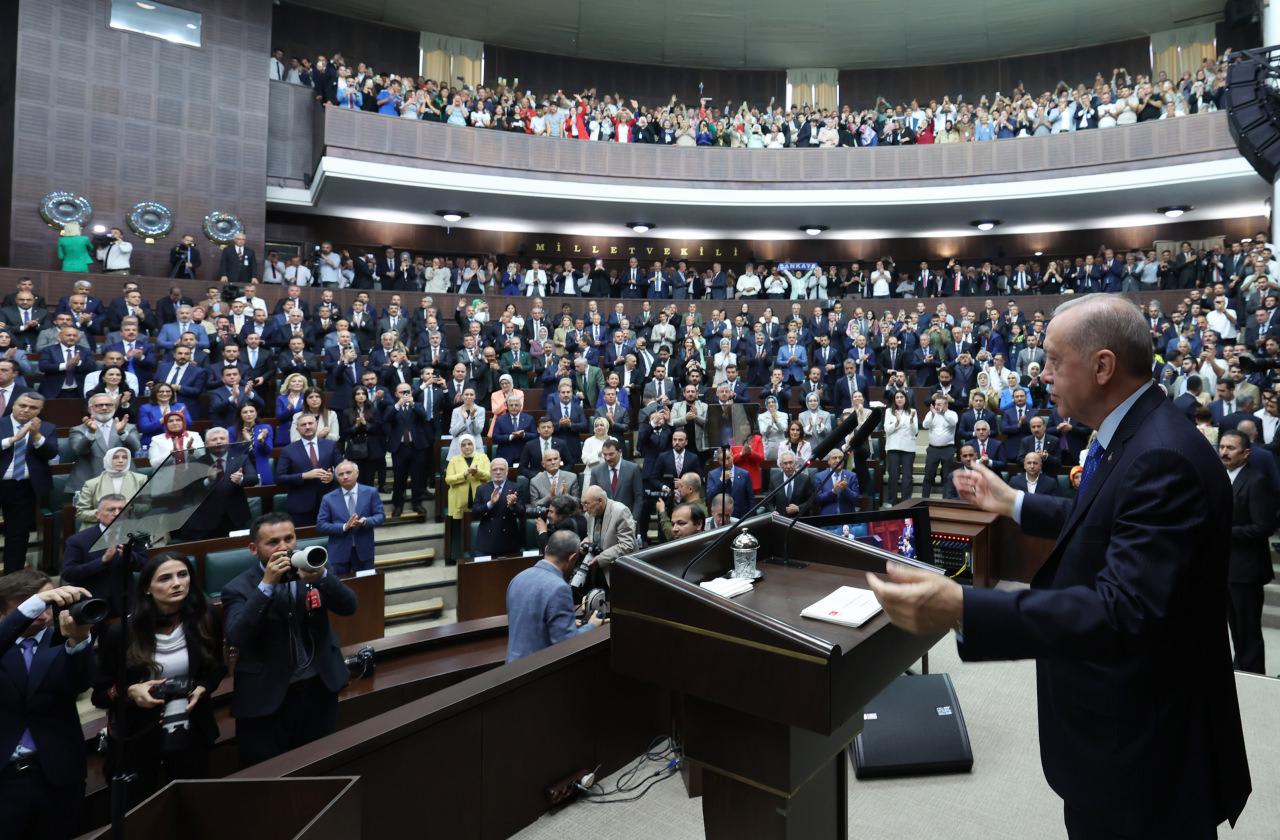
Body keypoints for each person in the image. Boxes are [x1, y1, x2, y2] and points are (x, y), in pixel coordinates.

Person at [867, 295, 1250, 838]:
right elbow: (1104, 517)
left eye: (1052, 359)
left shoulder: (1161, 456)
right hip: (1123, 727)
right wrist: (1013, 504)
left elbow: (1123, 610)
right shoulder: (1137, 434)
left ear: (1102, 366)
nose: (1041, 373)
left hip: (1144, 750)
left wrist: (962, 605)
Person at [222, 514, 357, 767]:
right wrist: (266, 586)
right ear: (254, 549)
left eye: (289, 539)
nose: (283, 547)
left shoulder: (311, 569)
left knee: (321, 764)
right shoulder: (237, 588)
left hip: (319, 688)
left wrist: (324, 578)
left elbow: (349, 606)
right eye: (272, 542)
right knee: (270, 775)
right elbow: (237, 635)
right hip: (267, 698)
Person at [90, 553, 225, 805]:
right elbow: (100, 694)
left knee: (193, 806)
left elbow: (216, 669)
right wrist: (130, 691)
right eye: (165, 578)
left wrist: (203, 688)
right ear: (147, 588)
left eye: (183, 575)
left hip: (192, 728)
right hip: (138, 735)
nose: (177, 583)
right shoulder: (121, 633)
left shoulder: (205, 617)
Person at [0, 574, 95, 837]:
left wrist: (79, 642)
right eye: (29, 604)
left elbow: (82, 683)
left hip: (57, 773)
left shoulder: (62, 639)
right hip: (5, 776)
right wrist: (34, 603)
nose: (42, 613)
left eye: (47, 604)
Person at [1219, 429, 1275, 675]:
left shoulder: (1256, 480)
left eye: (1230, 448)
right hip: (1226, 567)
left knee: (1248, 628)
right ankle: (1239, 668)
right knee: (1235, 627)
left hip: (1247, 569)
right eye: (1222, 447)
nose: (1224, 452)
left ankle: (1252, 674)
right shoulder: (1221, 476)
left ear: (1246, 452)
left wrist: (1224, 532)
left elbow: (1263, 527)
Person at [505, 530, 604, 663]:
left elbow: (528, 621)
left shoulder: (517, 578)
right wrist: (591, 626)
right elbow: (567, 644)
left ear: (546, 549)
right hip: (537, 673)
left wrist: (560, 621)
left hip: (511, 668)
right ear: (573, 558)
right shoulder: (559, 588)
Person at [60, 494, 148, 619]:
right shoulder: (78, 540)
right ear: (97, 515)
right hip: (91, 603)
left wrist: (130, 557)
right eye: (111, 509)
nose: (117, 513)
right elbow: (68, 573)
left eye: (122, 509)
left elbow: (145, 565)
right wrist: (102, 561)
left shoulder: (134, 535)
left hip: (126, 603)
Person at [0, 392, 58, 574]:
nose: (26, 410)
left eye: (33, 408)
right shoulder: (1, 424)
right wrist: (13, 440)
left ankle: (13, 578)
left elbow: (51, 453)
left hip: (23, 487)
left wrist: (36, 436)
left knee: (17, 535)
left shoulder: (47, 428)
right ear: (14, 405)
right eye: (22, 405)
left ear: (40, 410)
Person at [183, 427, 259, 541]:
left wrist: (242, 479)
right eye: (214, 439)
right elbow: (189, 491)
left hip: (235, 517)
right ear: (206, 444)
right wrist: (208, 481)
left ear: (228, 441)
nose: (219, 441)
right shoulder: (198, 462)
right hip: (206, 520)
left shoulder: (241, 458)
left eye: (222, 438)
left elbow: (253, 479)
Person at [316, 461, 386, 575]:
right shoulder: (328, 498)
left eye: (348, 472)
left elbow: (381, 516)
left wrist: (365, 521)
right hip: (338, 552)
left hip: (364, 551)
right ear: (336, 477)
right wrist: (344, 527)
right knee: (340, 588)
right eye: (341, 474)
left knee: (366, 586)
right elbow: (321, 525)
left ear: (357, 473)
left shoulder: (371, 492)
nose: (345, 476)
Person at [66, 393, 140, 495]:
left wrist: (122, 433)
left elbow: (136, 447)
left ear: (114, 407)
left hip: (124, 480)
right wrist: (90, 433)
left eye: (108, 405)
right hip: (89, 481)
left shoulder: (128, 427)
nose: (104, 408)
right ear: (90, 409)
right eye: (99, 405)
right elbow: (79, 451)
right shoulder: (78, 430)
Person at [275, 414, 339, 526]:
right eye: (303, 424)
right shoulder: (288, 450)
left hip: (329, 502)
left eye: (310, 423)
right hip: (301, 506)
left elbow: (342, 469)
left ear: (316, 425)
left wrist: (332, 476)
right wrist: (304, 476)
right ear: (297, 429)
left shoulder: (330, 445)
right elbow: (280, 478)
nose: (307, 427)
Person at [383, 381, 431, 517]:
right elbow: (386, 419)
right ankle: (398, 505)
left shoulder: (418, 405)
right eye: (401, 392)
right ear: (396, 394)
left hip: (417, 447)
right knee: (399, 478)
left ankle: (417, 503)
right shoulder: (391, 407)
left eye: (407, 392)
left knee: (417, 477)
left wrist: (412, 403)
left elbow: (424, 416)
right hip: (399, 448)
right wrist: (398, 404)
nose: (405, 394)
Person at [74, 446, 146, 527]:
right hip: (100, 528)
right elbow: (81, 513)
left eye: (125, 457)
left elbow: (149, 507)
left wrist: (132, 506)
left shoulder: (141, 480)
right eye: (115, 457)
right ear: (108, 459)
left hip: (132, 526)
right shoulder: (91, 484)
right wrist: (104, 513)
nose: (121, 461)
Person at [580, 485, 637, 586]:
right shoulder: (589, 514)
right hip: (597, 569)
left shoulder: (620, 511)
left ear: (600, 501)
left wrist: (600, 558)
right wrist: (585, 542)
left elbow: (627, 545)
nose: (584, 509)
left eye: (586, 504)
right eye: (582, 504)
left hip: (618, 571)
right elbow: (591, 535)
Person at [471, 458, 525, 558]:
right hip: (486, 542)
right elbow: (475, 513)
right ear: (490, 472)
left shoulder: (516, 487)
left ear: (507, 471)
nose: (498, 472)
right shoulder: (482, 489)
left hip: (509, 541)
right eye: (495, 469)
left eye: (501, 469)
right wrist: (490, 504)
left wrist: (513, 504)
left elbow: (522, 513)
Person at [585, 438, 644, 524]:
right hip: (604, 522)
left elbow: (638, 497)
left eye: (611, 454)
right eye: (605, 455)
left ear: (619, 452)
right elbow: (593, 497)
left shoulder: (633, 469)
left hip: (627, 520)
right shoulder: (596, 471)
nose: (607, 458)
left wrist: (633, 520)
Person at [883, 390, 919, 505]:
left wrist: (912, 421)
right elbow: (887, 430)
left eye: (901, 397)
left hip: (908, 448)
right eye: (897, 397)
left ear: (906, 398)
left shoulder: (912, 411)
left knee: (907, 477)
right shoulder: (889, 411)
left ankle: (906, 501)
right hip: (893, 447)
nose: (899, 399)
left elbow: (915, 432)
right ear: (894, 399)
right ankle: (891, 501)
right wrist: (897, 422)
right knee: (893, 475)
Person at [444, 434, 490, 521]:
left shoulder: (483, 458)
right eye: (463, 445)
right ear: (460, 447)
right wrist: (464, 475)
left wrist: (477, 472)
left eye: (469, 444)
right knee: (461, 529)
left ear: (474, 444)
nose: (467, 447)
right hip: (459, 501)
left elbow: (490, 476)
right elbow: (448, 480)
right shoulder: (453, 460)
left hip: (480, 499)